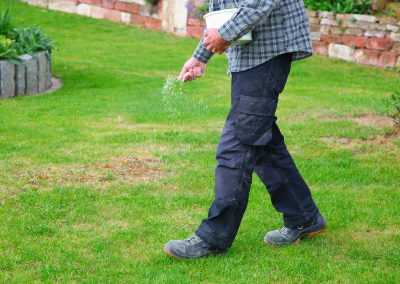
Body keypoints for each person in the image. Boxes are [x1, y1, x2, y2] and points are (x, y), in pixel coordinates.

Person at [164, 0, 326, 260]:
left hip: (267, 53)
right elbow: (223, 11)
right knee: (261, 141)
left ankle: (214, 237)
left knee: (237, 144)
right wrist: (199, 56)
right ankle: (303, 215)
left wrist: (226, 34)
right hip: (249, 57)